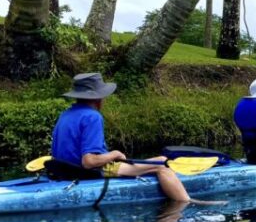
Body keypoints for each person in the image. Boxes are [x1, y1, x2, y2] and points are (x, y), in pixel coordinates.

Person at [51, 72, 191, 202]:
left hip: (64, 171)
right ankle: (186, 203)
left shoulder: (66, 114)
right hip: (88, 171)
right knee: (161, 163)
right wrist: (115, 154)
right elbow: (89, 161)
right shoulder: (92, 117)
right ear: (98, 98)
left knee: (157, 162)